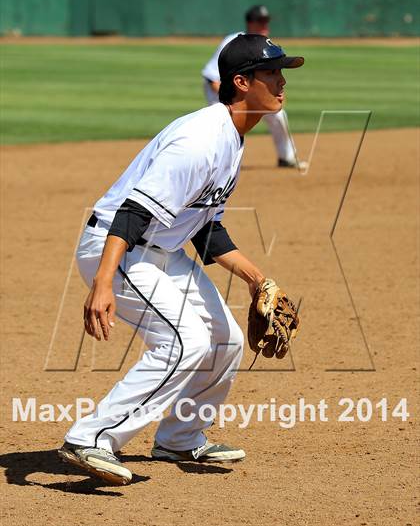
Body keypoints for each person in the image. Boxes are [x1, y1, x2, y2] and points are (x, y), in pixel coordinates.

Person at [58, 34, 304, 486]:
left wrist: (257, 278)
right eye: (272, 72)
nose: (282, 82)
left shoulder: (233, 138)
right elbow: (133, 214)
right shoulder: (200, 140)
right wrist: (103, 283)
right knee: (184, 340)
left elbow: (205, 230)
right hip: (117, 248)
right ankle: (91, 437)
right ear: (242, 82)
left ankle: (179, 436)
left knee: (224, 339)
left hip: (159, 250)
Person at [202, 5, 305, 169]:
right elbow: (211, 77)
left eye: (267, 21)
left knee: (278, 116)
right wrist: (230, 99)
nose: (265, 25)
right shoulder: (233, 42)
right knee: (222, 127)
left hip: (250, 91)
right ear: (250, 23)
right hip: (225, 94)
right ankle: (213, 163)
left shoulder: (264, 44)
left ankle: (287, 157)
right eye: (261, 21)